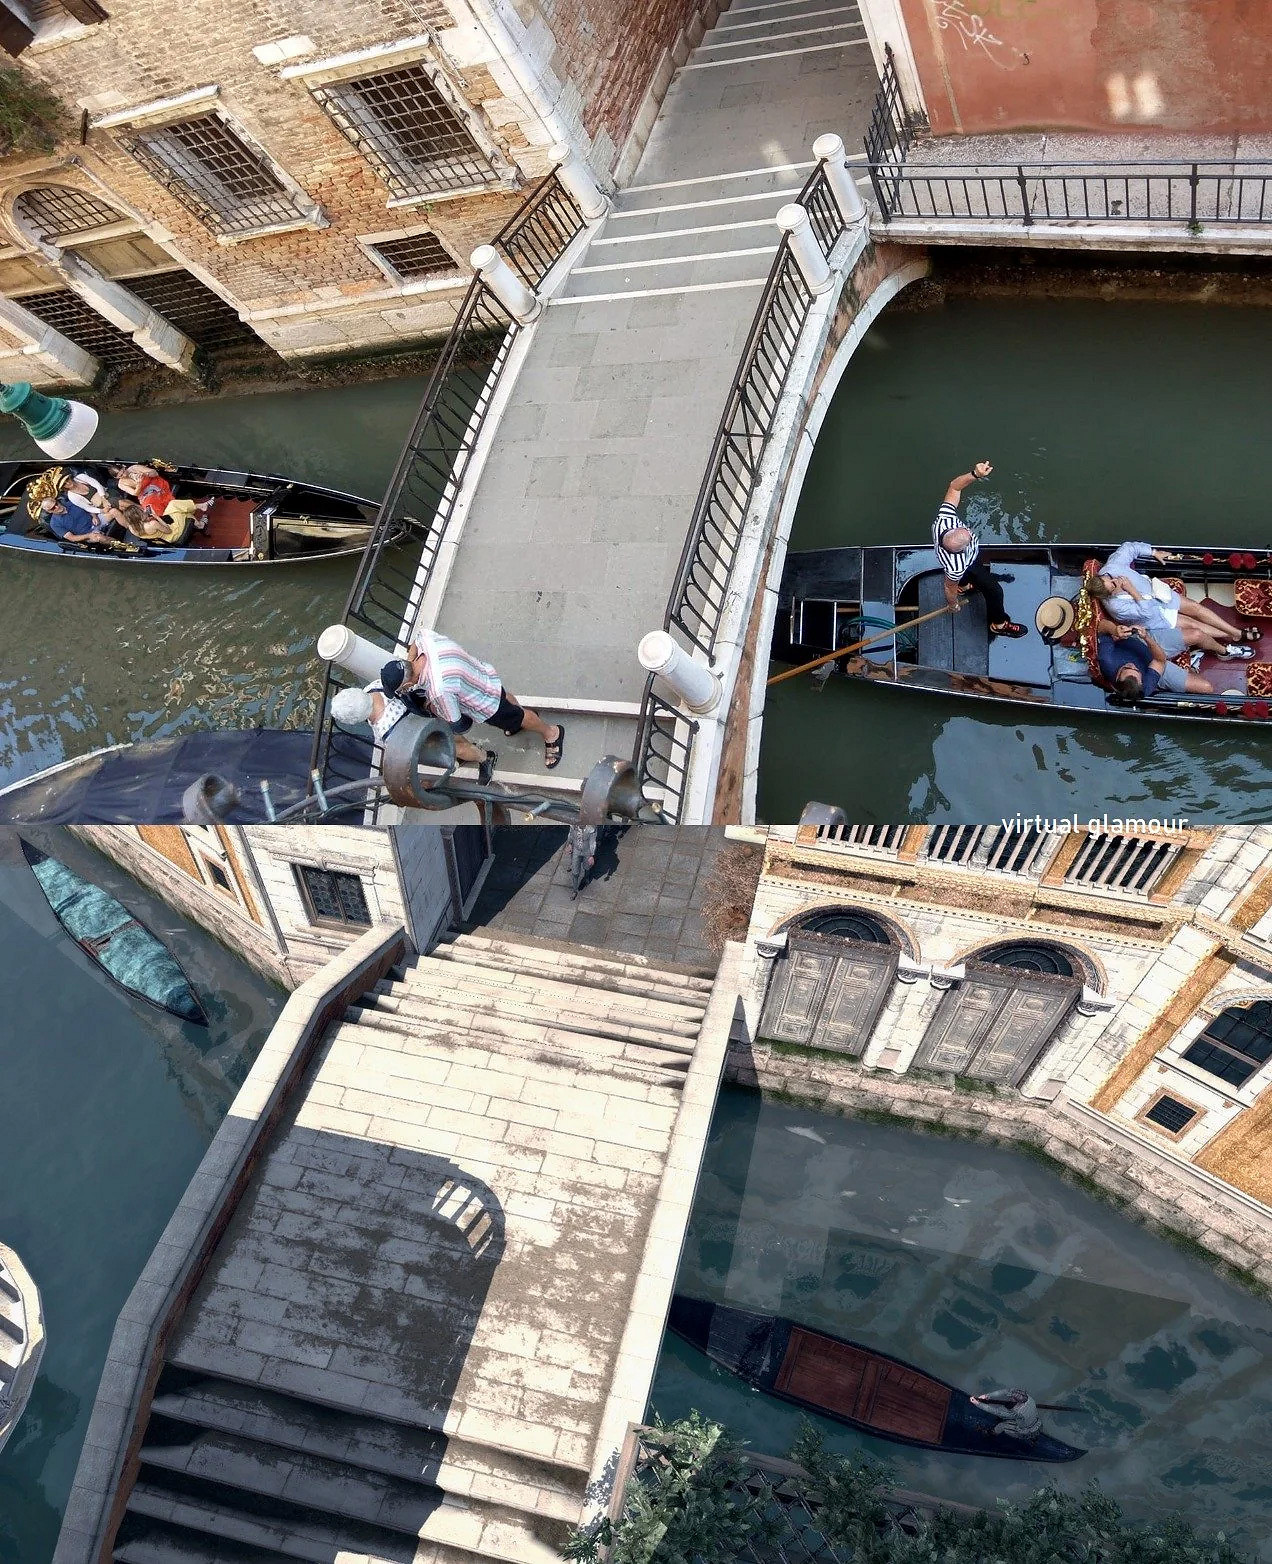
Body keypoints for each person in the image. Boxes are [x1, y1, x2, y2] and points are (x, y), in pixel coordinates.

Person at [380, 629, 565, 771]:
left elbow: (458, 724)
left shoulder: (439, 690)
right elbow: (418, 637)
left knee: (518, 716)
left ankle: (551, 733)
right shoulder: (427, 641)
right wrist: (409, 663)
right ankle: (520, 717)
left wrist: (432, 708)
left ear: (406, 684)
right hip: (482, 675)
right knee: (505, 699)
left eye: (401, 688)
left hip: (484, 703)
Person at [1089, 541, 1256, 660]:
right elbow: (1145, 612)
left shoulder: (1112, 569)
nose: (1115, 581)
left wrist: (1153, 552)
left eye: (1109, 579)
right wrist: (1131, 590)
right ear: (1107, 595)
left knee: (1196, 608)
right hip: (1154, 616)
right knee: (1193, 624)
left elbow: (1129, 547)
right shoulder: (1116, 606)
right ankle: (1231, 637)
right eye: (1113, 586)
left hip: (1160, 595)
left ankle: (1235, 633)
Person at [330, 684, 498, 785]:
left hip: (426, 735)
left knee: (455, 750)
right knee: (453, 735)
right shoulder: (375, 686)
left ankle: (485, 758)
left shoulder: (384, 729)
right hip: (430, 713)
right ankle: (473, 750)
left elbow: (405, 746)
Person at [933, 460, 1027, 639]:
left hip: (965, 564)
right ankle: (999, 624)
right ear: (961, 550)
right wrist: (953, 605)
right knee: (995, 591)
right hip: (969, 565)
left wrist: (975, 475)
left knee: (961, 581)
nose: (969, 531)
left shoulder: (944, 519)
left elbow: (954, 487)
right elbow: (948, 587)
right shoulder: (956, 567)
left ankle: (965, 585)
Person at [1096, 621, 1213, 702]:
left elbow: (1101, 626)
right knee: (1206, 688)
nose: (1133, 665)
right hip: (1154, 658)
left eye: (1129, 668)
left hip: (1139, 640)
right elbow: (1160, 660)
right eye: (1135, 670)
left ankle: (1223, 651)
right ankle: (1190, 664)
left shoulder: (1106, 659)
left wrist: (1115, 631)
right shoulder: (1144, 688)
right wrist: (1148, 639)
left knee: (1197, 635)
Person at [970, 1388, 1042, 1441]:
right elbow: (1006, 1391)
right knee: (1004, 1409)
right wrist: (987, 1396)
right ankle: (1034, 1439)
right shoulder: (1029, 1398)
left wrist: (978, 1404)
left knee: (1001, 1426)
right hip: (1034, 1422)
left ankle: (989, 1433)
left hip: (1025, 1430)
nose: (1010, 1398)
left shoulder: (1018, 1412)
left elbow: (996, 1411)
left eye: (1012, 1398)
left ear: (1018, 1402)